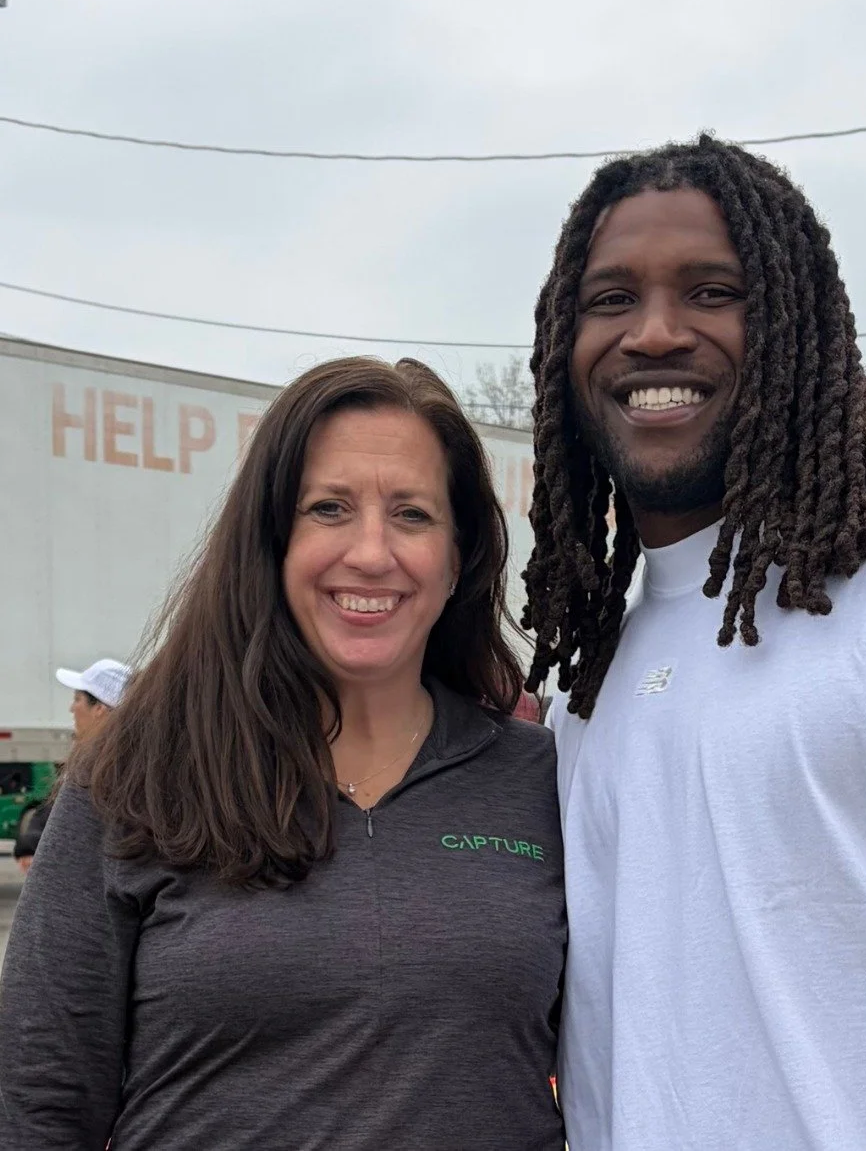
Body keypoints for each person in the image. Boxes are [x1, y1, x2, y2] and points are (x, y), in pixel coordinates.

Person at [524, 134, 866, 1150]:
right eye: (610, 300)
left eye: (711, 290)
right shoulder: (587, 679)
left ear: (796, 319)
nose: (654, 333)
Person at [0, 356, 565, 1150]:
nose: (371, 553)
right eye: (329, 508)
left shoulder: (541, 779)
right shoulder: (137, 779)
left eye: (412, 514)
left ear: (459, 554)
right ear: (272, 540)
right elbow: (40, 1101)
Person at [12, 658, 131, 869]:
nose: (71, 708)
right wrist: (32, 840)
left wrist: (34, 841)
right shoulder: (97, 760)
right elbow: (58, 807)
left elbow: (76, 820)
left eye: (77, 699)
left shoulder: (113, 768)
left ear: (99, 710)